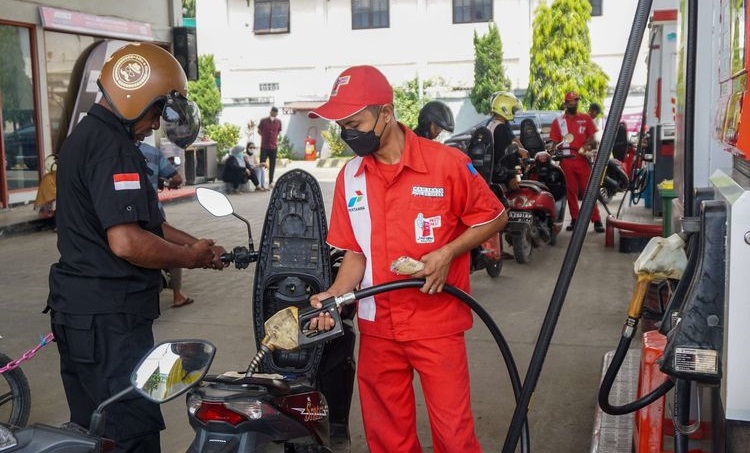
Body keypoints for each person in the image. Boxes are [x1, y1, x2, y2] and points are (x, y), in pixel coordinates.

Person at [306, 65, 507, 453]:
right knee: (388, 439)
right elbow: (355, 254)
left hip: (437, 323)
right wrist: (333, 293)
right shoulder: (350, 178)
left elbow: (494, 216)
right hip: (378, 327)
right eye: (342, 125)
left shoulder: (446, 163)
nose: (348, 133)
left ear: (386, 112)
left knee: (454, 436)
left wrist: (448, 252)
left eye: (355, 122)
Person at [46, 42, 227, 452]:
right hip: (110, 323)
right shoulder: (114, 149)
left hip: (82, 317)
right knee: (130, 432)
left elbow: (148, 225)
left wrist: (195, 245)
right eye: (155, 112)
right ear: (136, 99)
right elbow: (127, 242)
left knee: (94, 432)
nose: (154, 125)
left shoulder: (86, 138)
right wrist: (189, 259)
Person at [138, 142, 194, 308]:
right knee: (173, 251)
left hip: (119, 218)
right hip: (153, 215)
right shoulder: (152, 153)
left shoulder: (109, 149)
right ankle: (177, 295)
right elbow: (177, 178)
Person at [549, 91, 605, 233]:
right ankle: (575, 219)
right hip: (566, 162)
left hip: (582, 160)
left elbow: (593, 138)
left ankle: (596, 220)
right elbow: (554, 142)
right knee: (571, 191)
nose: (574, 104)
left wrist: (585, 146)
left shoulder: (585, 118)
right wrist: (550, 149)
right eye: (571, 102)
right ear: (566, 103)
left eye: (576, 101)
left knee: (589, 190)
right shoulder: (558, 121)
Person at [487, 91, 528, 191]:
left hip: (492, 175)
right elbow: (505, 155)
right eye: (513, 109)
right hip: (501, 178)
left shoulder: (492, 124)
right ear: (505, 108)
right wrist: (511, 178)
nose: (514, 112)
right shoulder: (501, 127)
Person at [257, 106, 282, 187]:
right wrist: (264, 136)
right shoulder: (263, 121)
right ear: (270, 112)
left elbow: (278, 131)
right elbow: (259, 130)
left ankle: (271, 182)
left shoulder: (278, 122)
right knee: (262, 164)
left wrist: (274, 138)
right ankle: (261, 183)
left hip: (273, 146)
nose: (274, 113)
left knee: (272, 165)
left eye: (276, 112)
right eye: (273, 112)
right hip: (264, 146)